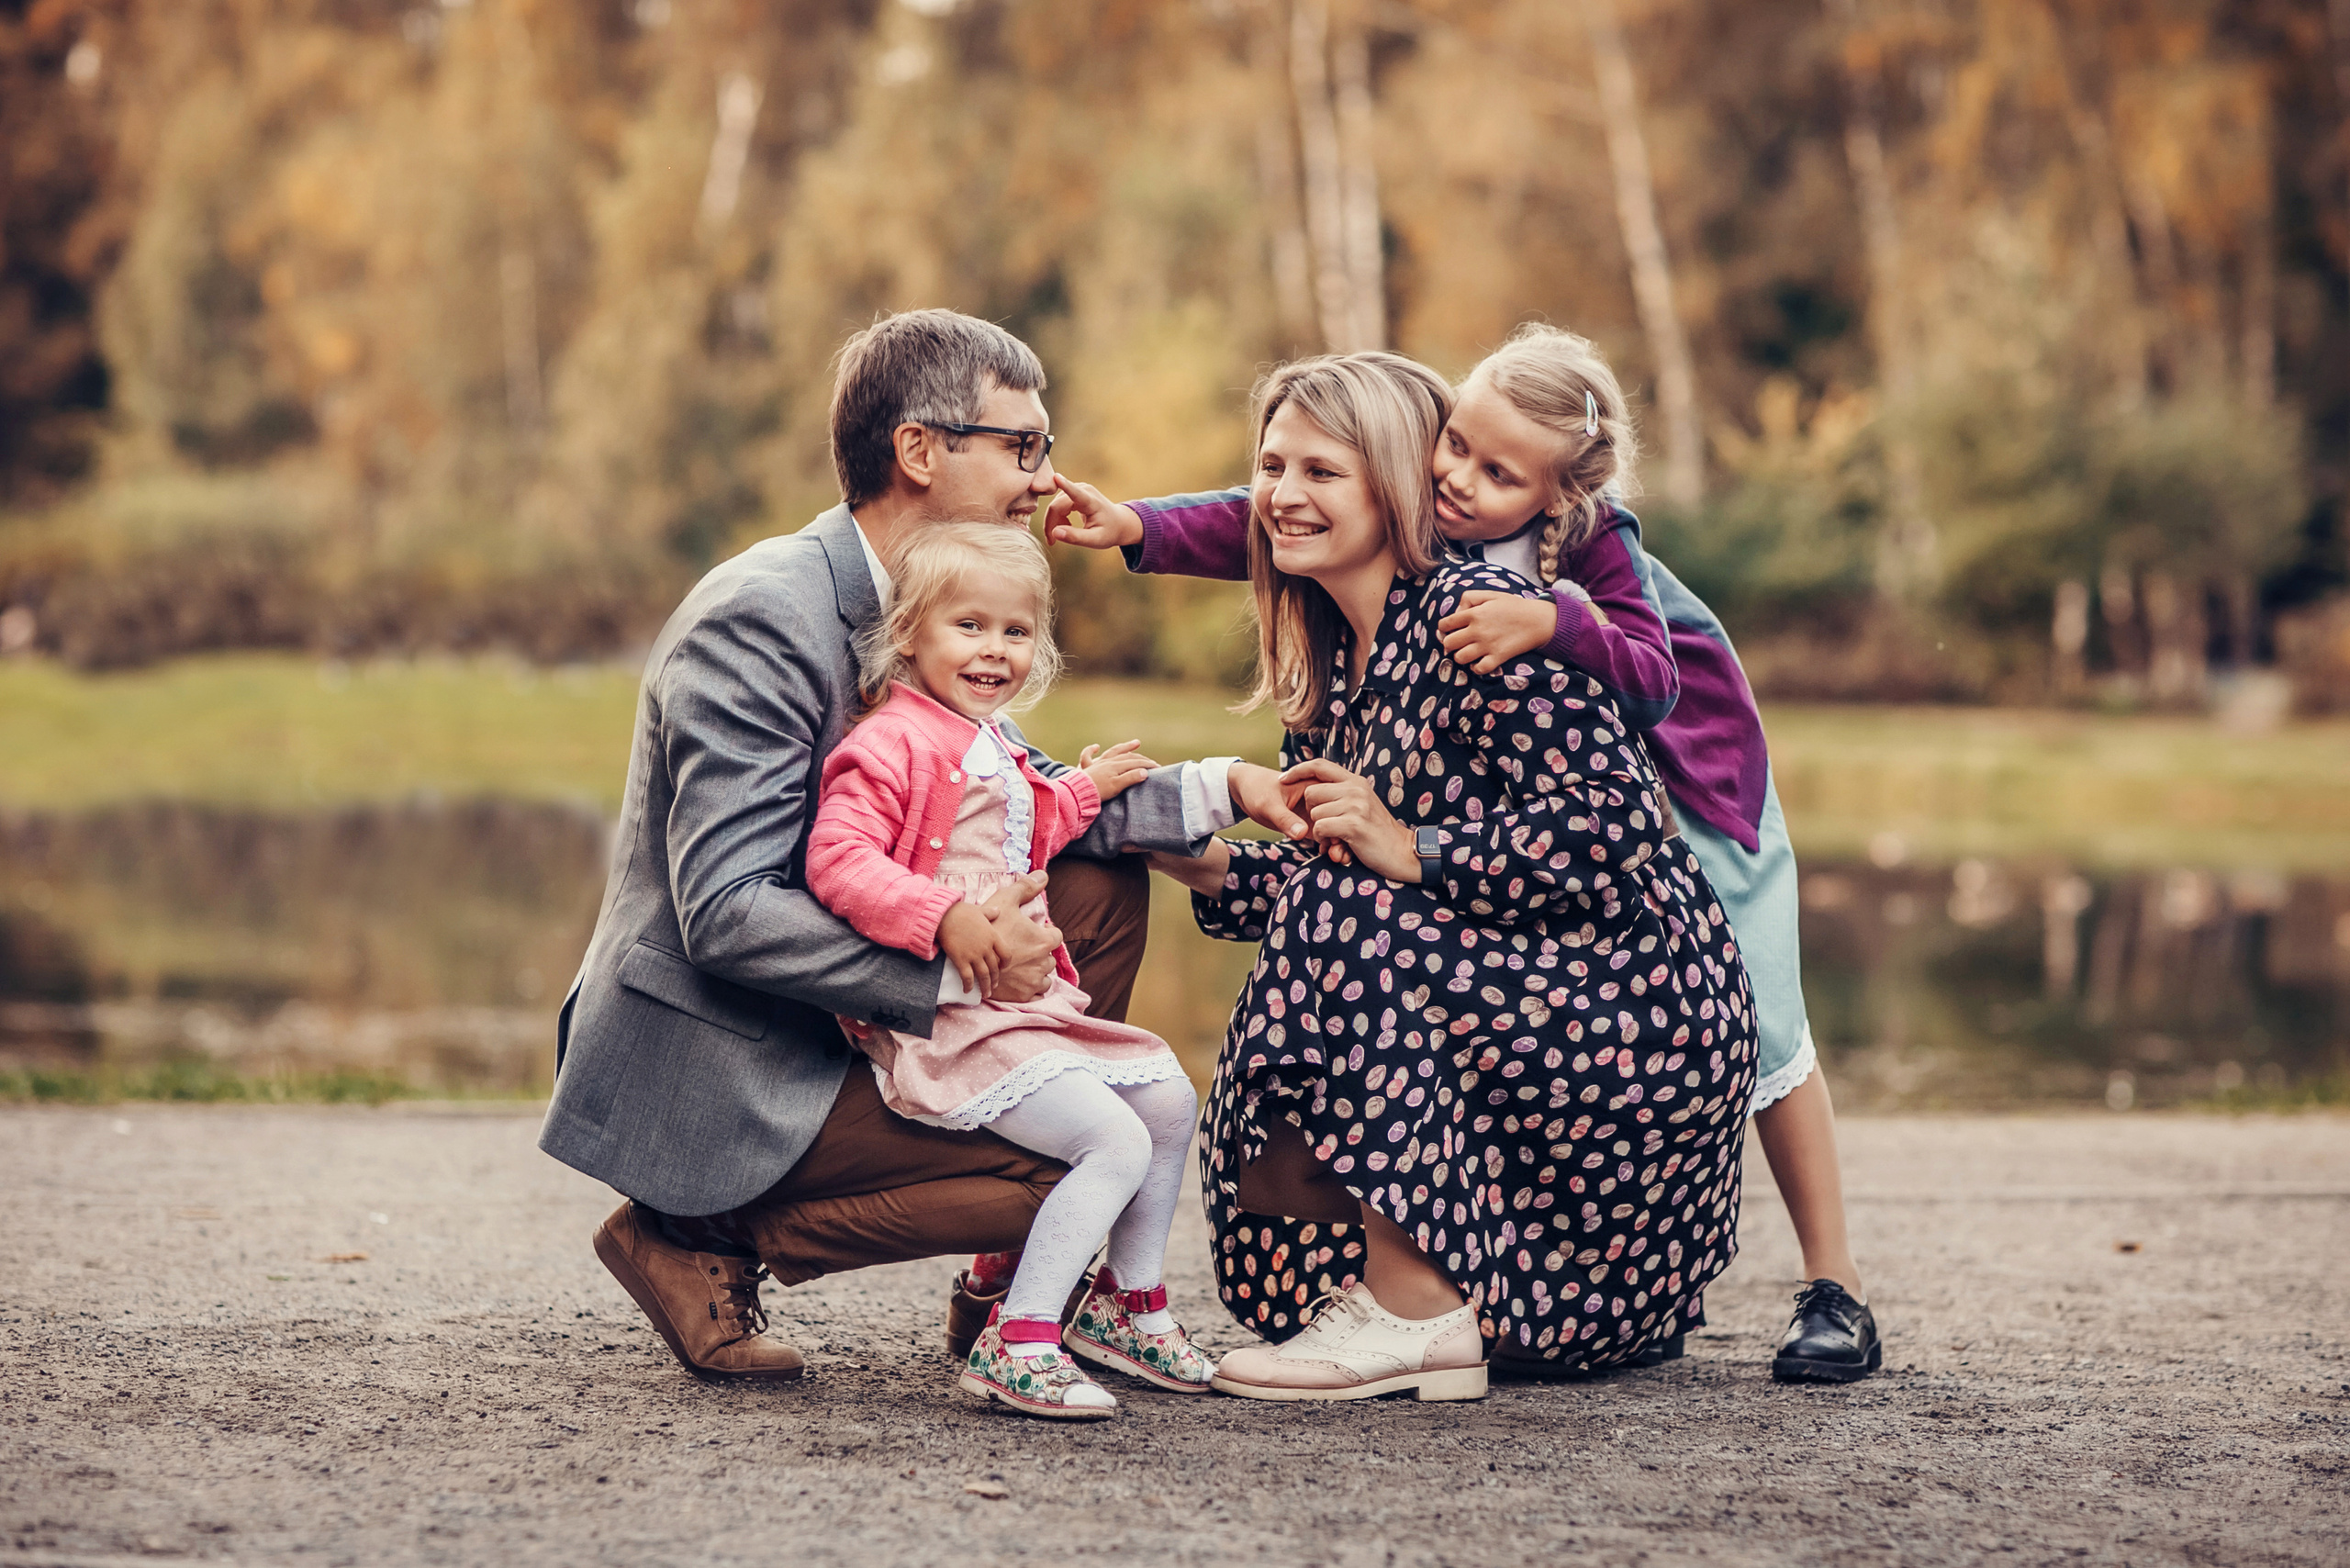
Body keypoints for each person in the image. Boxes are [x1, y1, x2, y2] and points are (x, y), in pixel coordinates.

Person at [1049, 324, 1883, 1384]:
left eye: (1319, 470)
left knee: (1775, 1026)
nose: (1281, 492)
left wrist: (1411, 841)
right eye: (1271, 464)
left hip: (1691, 826)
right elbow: (1253, 520)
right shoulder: (1350, 644)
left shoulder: (1512, 609)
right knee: (1337, 905)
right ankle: (1368, 1295)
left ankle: (1818, 1280)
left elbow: (1619, 805)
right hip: (1556, 943)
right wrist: (1180, 846)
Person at [537, 308, 1296, 1383]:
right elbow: (726, 909)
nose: (1043, 478)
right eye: (1022, 446)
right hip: (723, 1048)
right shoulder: (760, 618)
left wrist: (1230, 797)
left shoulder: (942, 602)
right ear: (919, 451)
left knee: (1095, 883)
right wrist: (955, 955)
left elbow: (1023, 803)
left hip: (842, 1003)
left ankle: (1003, 1284)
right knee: (1091, 1152)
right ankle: (695, 1230)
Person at [805, 522, 1214, 1418]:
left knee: (1171, 1101)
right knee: (1115, 1140)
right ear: (909, 631)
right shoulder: (889, 743)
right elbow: (837, 859)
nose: (995, 649)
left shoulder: (981, 735)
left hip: (1017, 1008)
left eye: (1015, 631)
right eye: (969, 626)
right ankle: (1019, 1336)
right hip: (945, 1015)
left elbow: (1024, 825)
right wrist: (943, 917)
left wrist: (1090, 788)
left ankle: (1128, 1304)